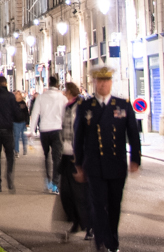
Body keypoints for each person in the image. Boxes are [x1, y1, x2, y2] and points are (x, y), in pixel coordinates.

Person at [73, 65, 141, 252]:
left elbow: (133, 133)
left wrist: (135, 158)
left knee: (114, 205)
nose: (103, 84)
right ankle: (103, 243)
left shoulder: (122, 104)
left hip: (116, 164)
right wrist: (78, 164)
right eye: (99, 81)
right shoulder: (85, 106)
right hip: (94, 165)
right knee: (97, 205)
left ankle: (112, 239)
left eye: (106, 80)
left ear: (111, 82)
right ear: (94, 83)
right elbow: (78, 137)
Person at [59, 82, 92, 240]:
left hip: (77, 154)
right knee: (66, 192)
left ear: (70, 91)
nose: (64, 93)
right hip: (65, 153)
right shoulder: (67, 107)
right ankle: (75, 221)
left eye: (65, 90)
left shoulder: (81, 107)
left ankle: (89, 226)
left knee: (80, 193)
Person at [30, 75, 66, 194]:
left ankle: (47, 180)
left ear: (48, 84)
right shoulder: (62, 98)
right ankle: (56, 184)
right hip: (57, 129)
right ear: (57, 85)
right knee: (57, 158)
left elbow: (35, 114)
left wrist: (32, 130)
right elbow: (66, 115)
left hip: (44, 130)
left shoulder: (41, 97)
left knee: (46, 156)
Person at [13, 90, 30, 157]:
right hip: (15, 122)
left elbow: (26, 113)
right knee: (16, 137)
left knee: (24, 137)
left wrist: (27, 122)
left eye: (18, 94)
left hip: (23, 122)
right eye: (16, 94)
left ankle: (24, 149)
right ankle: (16, 151)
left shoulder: (23, 103)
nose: (16, 95)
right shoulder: (13, 103)